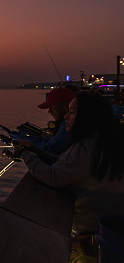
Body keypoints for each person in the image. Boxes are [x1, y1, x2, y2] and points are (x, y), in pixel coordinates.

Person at [14, 91, 124, 234]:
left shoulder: (87, 147)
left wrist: (24, 153)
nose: (66, 116)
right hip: (110, 224)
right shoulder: (102, 140)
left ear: (87, 116)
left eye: (71, 112)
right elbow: (64, 163)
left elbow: (53, 176)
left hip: (93, 229)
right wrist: (34, 149)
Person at [10, 87, 75, 159]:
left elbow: (51, 148)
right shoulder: (65, 124)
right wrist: (31, 138)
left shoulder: (68, 124)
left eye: (52, 107)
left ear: (66, 106)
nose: (49, 111)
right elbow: (51, 142)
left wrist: (26, 141)